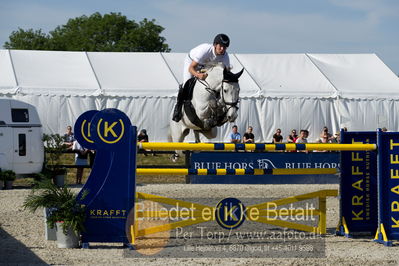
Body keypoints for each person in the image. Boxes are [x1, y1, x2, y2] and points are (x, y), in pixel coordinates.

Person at [172, 33, 231, 122]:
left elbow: (226, 74)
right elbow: (191, 68)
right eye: (221, 46)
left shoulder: (225, 56)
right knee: (187, 84)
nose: (222, 49)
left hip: (207, 66)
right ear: (215, 45)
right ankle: (178, 108)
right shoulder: (205, 50)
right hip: (192, 63)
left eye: (225, 47)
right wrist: (198, 75)